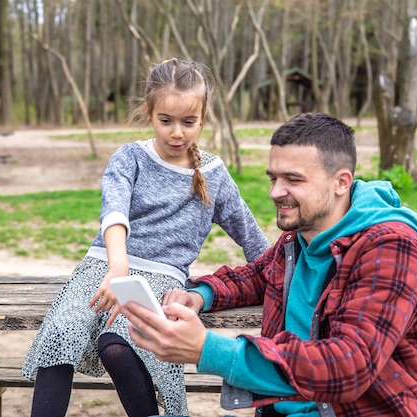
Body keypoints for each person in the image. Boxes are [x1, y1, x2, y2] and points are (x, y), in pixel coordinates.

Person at [121, 112, 417, 417]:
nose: (275, 192)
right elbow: (258, 275)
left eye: (293, 180)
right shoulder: (300, 238)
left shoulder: (391, 248)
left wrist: (206, 349)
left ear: (341, 182)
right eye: (273, 178)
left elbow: (349, 366)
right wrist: (200, 295)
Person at [21, 58, 269, 417]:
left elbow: (249, 233)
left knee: (119, 342)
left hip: (162, 275)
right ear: (148, 113)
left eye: (188, 122)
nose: (177, 133)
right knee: (64, 332)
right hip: (106, 263)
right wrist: (117, 266)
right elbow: (115, 211)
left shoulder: (213, 173)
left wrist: (280, 274)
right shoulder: (130, 157)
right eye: (165, 121)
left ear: (203, 118)